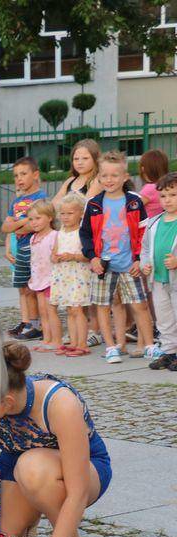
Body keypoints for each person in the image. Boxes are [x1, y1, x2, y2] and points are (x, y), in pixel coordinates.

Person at [0, 344, 111, 537]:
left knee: (31, 467)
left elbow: (78, 492)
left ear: (7, 402)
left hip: (81, 470)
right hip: (16, 467)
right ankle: (30, 515)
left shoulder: (60, 404)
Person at [80, 151, 158, 363]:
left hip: (130, 265)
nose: (109, 180)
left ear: (125, 177)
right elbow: (85, 234)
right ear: (98, 177)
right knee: (104, 306)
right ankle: (111, 347)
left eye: (114, 175)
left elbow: (144, 233)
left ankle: (150, 345)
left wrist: (139, 259)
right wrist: (92, 257)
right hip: (103, 267)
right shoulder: (93, 204)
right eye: (104, 175)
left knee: (140, 305)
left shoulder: (134, 201)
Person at [0, 157, 48, 341]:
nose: (19, 179)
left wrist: (18, 225)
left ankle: (40, 325)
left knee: (36, 289)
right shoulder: (17, 201)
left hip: (36, 248)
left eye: (23, 174)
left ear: (35, 175)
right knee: (25, 289)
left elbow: (32, 226)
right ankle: (30, 324)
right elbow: (5, 227)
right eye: (16, 175)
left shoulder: (40, 198)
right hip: (21, 249)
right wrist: (24, 222)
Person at [50, 193, 93, 357]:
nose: (65, 217)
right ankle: (73, 342)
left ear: (81, 213)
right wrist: (54, 257)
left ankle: (82, 343)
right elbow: (54, 251)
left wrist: (73, 256)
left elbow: (88, 255)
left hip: (77, 275)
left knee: (78, 309)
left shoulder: (82, 232)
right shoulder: (60, 231)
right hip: (64, 275)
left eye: (70, 213)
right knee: (69, 309)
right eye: (62, 213)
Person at [143, 173, 177, 371]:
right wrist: (145, 264)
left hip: (175, 279)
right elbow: (145, 248)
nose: (167, 200)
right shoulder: (154, 222)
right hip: (158, 279)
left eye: (173, 195)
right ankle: (169, 352)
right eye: (163, 196)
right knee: (164, 318)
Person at [26, 200, 62, 351]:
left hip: (51, 279)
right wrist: (32, 275)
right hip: (39, 279)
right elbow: (34, 258)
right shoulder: (33, 238)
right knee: (43, 311)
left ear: (50, 217)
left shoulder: (55, 236)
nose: (34, 222)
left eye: (38, 218)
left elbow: (56, 257)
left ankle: (57, 340)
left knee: (51, 311)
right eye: (30, 219)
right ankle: (47, 339)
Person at [53, 139, 102, 203]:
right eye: (76, 159)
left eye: (85, 158)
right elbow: (54, 203)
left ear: (96, 159)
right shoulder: (70, 181)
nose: (80, 162)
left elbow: (86, 205)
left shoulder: (96, 181)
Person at [138, 149, 169, 219]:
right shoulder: (164, 185)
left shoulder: (150, 188)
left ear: (143, 168)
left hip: (146, 224)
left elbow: (133, 206)